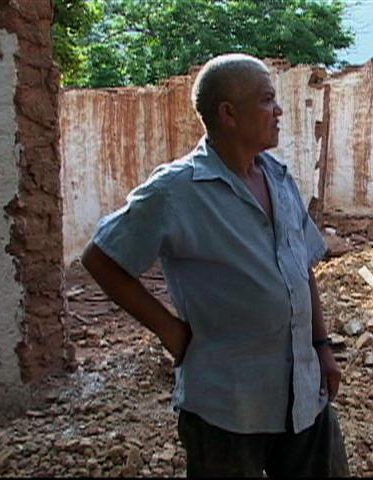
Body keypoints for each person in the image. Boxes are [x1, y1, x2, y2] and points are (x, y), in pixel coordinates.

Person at [81, 53, 350, 477]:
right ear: (228, 114)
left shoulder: (278, 177)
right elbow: (100, 258)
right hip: (227, 406)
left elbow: (301, 269)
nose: (279, 111)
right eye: (266, 100)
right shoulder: (176, 191)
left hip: (303, 394)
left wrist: (322, 347)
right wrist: (170, 331)